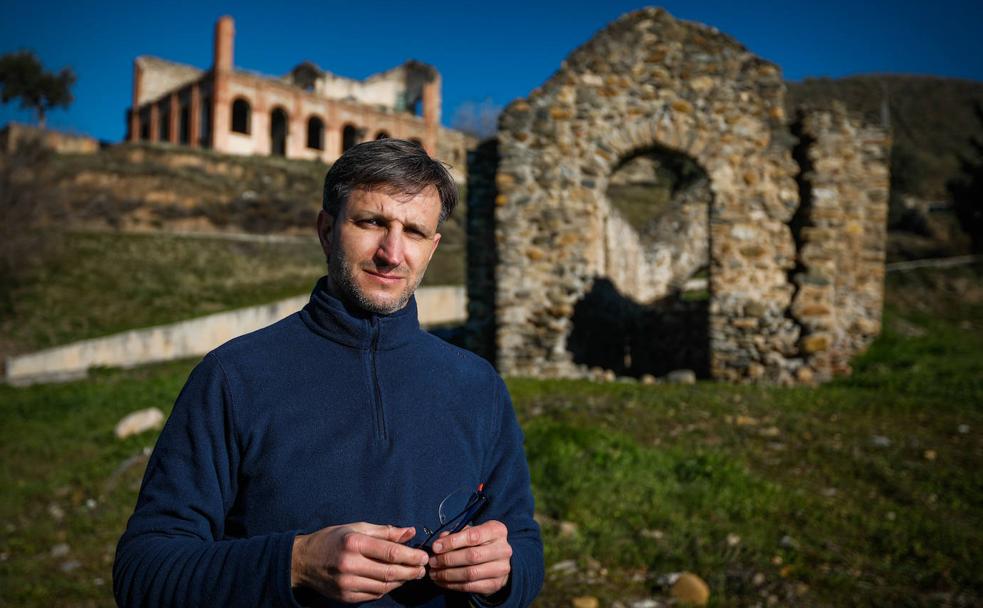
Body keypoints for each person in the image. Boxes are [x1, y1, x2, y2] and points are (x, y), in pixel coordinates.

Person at [113, 139, 544, 607]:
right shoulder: (232, 378)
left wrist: (505, 573)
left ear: (432, 247)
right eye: (371, 222)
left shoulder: (478, 386)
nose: (392, 253)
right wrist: (294, 563)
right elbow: (144, 574)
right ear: (326, 229)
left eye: (414, 232)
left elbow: (522, 545)